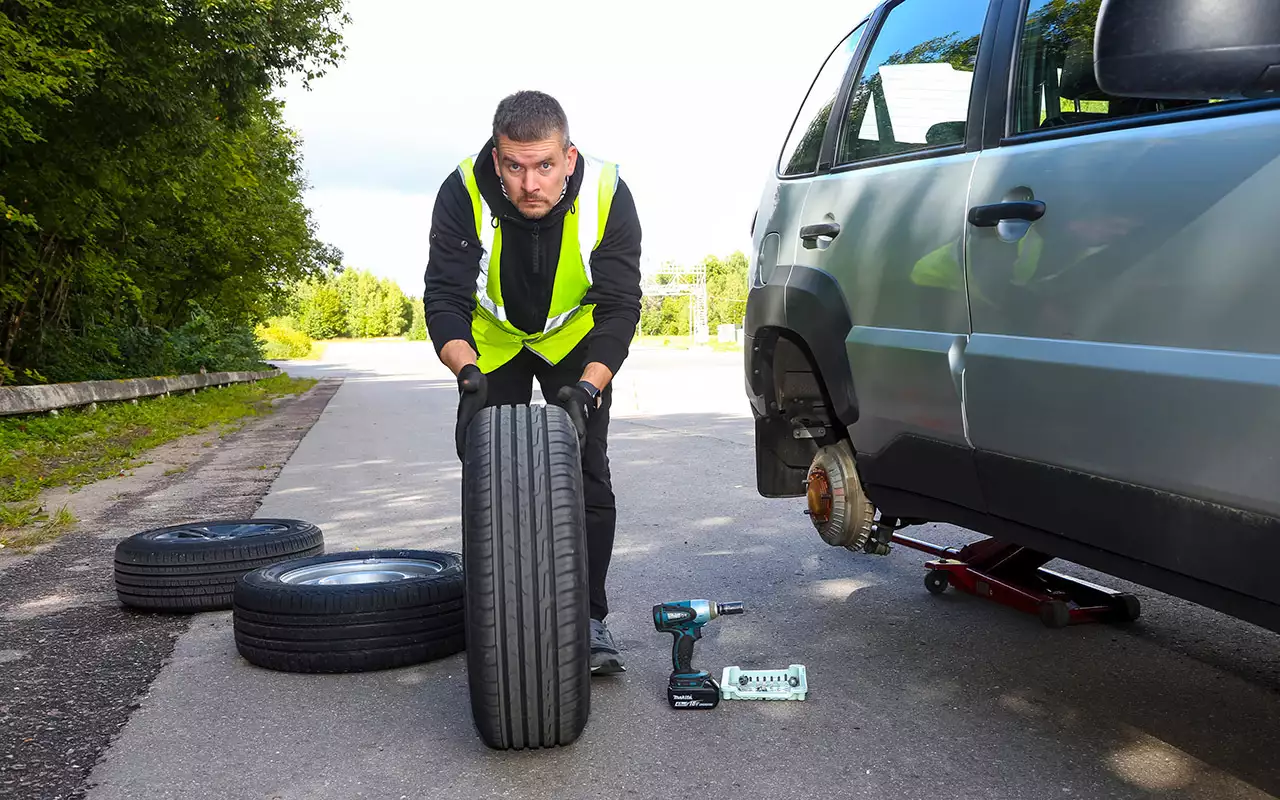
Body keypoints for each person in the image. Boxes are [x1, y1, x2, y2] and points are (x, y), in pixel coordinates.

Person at [423, 90, 642, 675]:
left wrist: (589, 389)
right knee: (485, 465)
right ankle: (492, 611)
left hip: (574, 341)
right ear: (497, 160)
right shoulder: (462, 189)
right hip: (492, 341)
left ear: (568, 158)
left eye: (544, 165)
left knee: (587, 469)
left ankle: (590, 620)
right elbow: (444, 295)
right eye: (514, 167)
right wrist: (467, 373)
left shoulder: (606, 191)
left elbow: (620, 305)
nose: (530, 184)